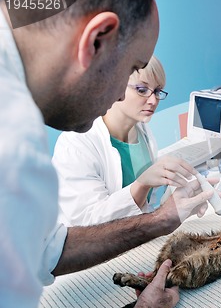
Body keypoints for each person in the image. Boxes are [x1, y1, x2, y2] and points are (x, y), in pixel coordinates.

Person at [0, 0, 216, 308]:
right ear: (97, 38)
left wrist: (162, 218)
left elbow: (47, 246)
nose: (119, 96)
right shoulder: (13, 136)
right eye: (132, 71)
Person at [52, 55, 195, 226]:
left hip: (133, 240)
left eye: (157, 91)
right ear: (114, 86)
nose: (153, 100)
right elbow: (87, 222)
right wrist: (141, 184)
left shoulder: (144, 134)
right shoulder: (76, 143)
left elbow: (145, 209)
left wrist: (175, 204)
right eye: (142, 90)